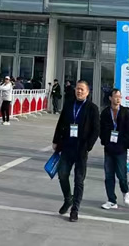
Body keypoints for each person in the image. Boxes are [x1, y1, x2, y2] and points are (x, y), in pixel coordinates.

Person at [53, 80, 99, 223]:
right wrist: (56, 140)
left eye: (82, 89)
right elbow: (60, 123)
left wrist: (88, 146)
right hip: (67, 146)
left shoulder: (92, 108)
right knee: (62, 175)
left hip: (81, 149)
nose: (79, 91)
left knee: (79, 180)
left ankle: (75, 209)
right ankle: (68, 198)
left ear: (87, 92)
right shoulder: (69, 104)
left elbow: (96, 129)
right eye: (78, 89)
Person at [99, 88, 129, 210]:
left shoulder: (126, 112)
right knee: (109, 175)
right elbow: (101, 129)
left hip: (120, 149)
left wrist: (124, 142)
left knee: (121, 174)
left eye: (120, 97)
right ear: (110, 98)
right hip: (109, 149)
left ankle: (125, 191)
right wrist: (105, 141)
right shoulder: (105, 113)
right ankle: (111, 200)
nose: (118, 99)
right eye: (116, 96)